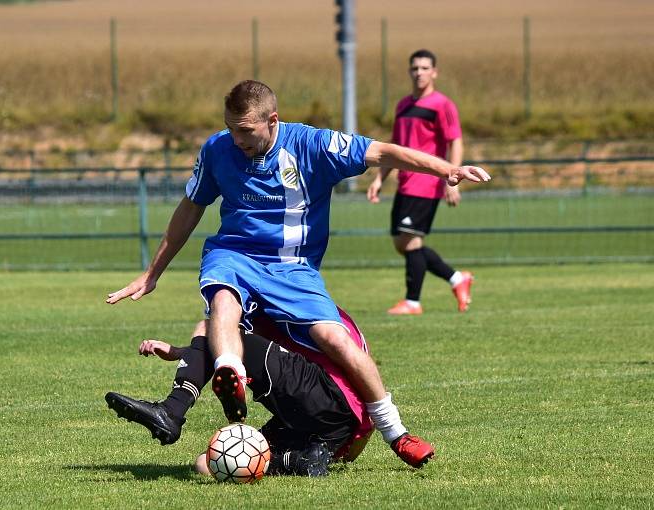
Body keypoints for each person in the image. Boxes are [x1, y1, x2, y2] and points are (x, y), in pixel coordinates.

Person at [106, 80, 490, 460]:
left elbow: (383, 151)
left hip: (294, 267)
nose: (236, 139)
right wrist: (152, 273)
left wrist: (447, 170)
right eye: (229, 128)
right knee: (221, 304)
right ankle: (230, 377)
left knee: (336, 339)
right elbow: (190, 207)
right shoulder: (217, 150)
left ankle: (397, 432)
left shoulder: (313, 145)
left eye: (245, 130)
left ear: (272, 120)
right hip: (235, 254)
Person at [105, 308, 433, 477]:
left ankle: (172, 411)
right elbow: (362, 375)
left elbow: (217, 335)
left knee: (210, 325)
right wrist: (181, 352)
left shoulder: (285, 298)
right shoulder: (321, 308)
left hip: (319, 393)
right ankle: (295, 461)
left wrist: (396, 433)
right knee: (208, 463)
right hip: (339, 425)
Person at [367, 49, 474, 315]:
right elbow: (395, 149)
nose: (419, 73)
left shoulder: (442, 104)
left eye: (425, 68)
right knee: (403, 243)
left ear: (434, 72)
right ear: (409, 72)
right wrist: (379, 179)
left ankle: (413, 302)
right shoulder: (403, 105)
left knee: (410, 242)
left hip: (427, 182)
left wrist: (455, 179)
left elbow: (455, 141)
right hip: (405, 181)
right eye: (415, 68)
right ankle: (457, 279)